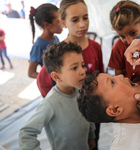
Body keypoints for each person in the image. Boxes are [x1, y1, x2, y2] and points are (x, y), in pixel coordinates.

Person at [36, 1, 104, 148]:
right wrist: (60, 106)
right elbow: (42, 82)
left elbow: (100, 76)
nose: (82, 24)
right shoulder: (59, 54)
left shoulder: (96, 47)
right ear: (63, 23)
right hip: (71, 120)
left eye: (85, 17)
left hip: (93, 113)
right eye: (75, 20)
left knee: (93, 143)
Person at [19, 41, 96, 150]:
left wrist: (91, 136)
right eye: (74, 68)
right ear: (56, 77)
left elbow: (87, 115)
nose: (82, 71)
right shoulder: (50, 103)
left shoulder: (81, 91)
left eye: (82, 65)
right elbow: (26, 133)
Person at [77, 71, 140, 150]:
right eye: (112, 83)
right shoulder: (122, 145)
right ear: (115, 109)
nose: (120, 76)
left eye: (113, 76)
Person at [28, 3, 63, 78]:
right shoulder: (38, 45)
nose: (62, 23)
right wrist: (50, 78)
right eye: (58, 21)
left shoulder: (56, 38)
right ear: (46, 25)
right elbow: (31, 73)